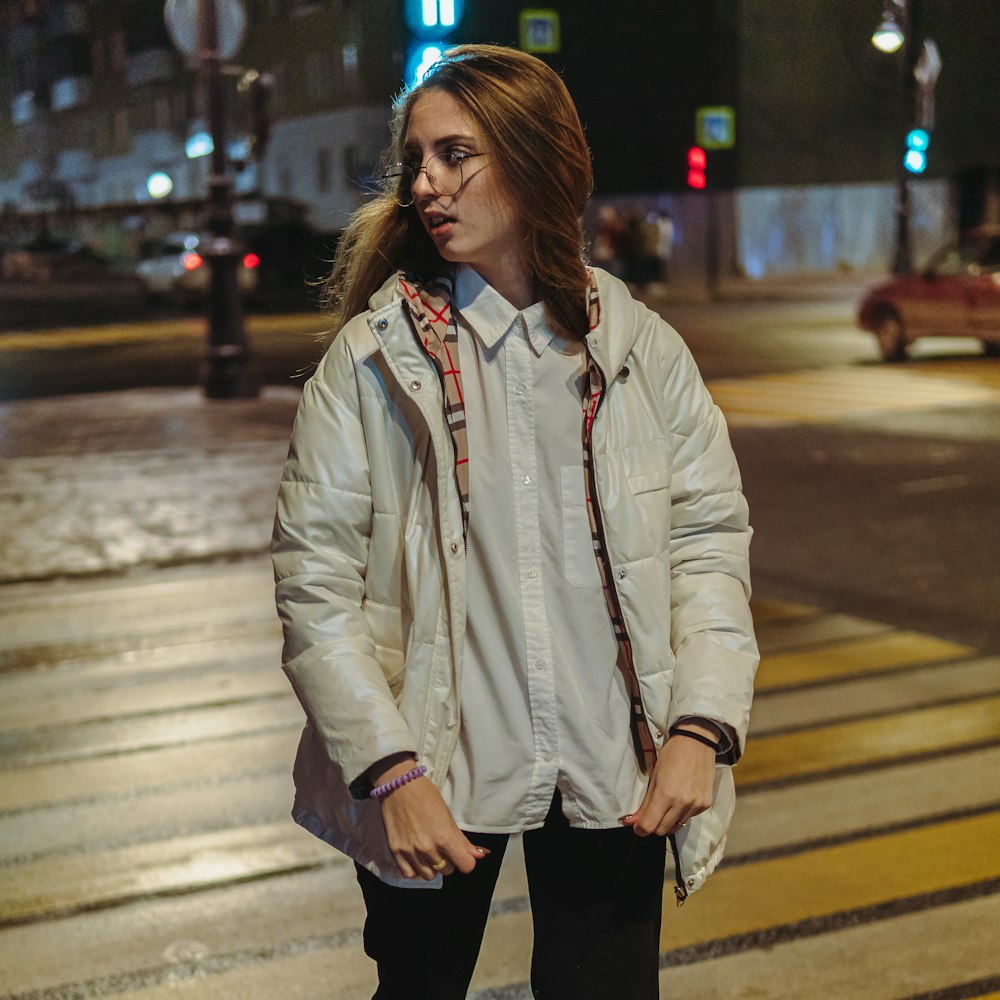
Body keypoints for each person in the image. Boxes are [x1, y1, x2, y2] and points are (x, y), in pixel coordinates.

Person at [271, 44, 758, 1000]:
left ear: (537, 164)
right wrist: (388, 771)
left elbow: (707, 543)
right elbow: (313, 585)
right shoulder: (372, 363)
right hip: (435, 772)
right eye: (417, 160)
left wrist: (701, 726)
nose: (426, 184)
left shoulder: (641, 351)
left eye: (456, 156)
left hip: (614, 775)